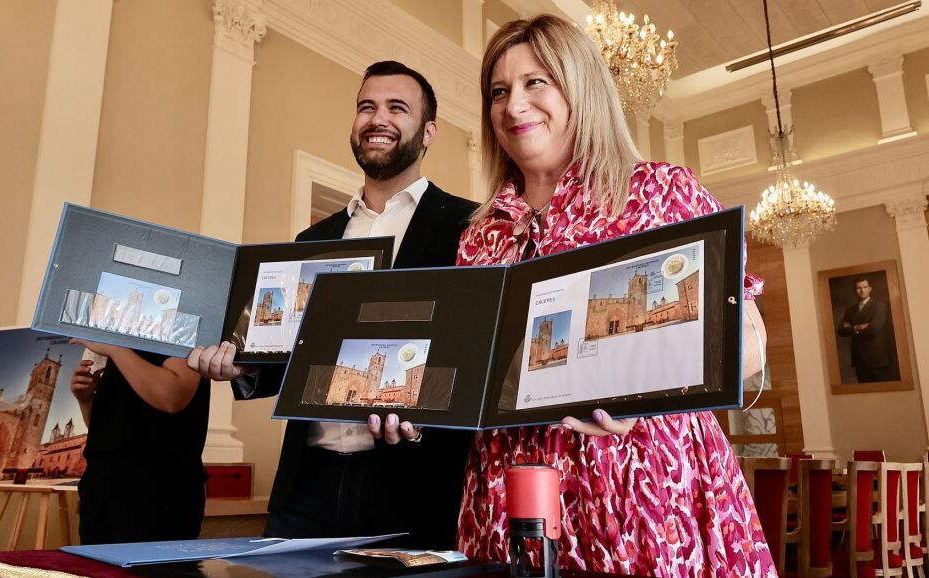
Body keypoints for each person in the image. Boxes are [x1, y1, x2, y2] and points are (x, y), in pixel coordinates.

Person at [452, 16, 774, 575]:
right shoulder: (480, 235)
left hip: (644, 482)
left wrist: (638, 392)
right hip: (510, 487)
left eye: (535, 82)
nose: (513, 105)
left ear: (580, 87)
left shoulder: (660, 192)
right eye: (498, 92)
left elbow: (749, 345)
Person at [188, 61, 478, 549]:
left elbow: (473, 351)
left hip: (412, 484)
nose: (377, 118)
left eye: (397, 108)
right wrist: (247, 368)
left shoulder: (469, 227)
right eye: (367, 107)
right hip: (307, 486)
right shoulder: (314, 239)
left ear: (428, 133)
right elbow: (298, 351)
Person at [70, 342, 209, 545]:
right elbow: (105, 429)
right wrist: (85, 399)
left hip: (159, 489)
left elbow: (173, 397)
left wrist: (114, 347)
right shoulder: (113, 341)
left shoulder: (181, 327)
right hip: (99, 486)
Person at [836, 277, 896, 383]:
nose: (862, 290)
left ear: (870, 288)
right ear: (855, 290)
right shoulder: (850, 310)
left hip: (876, 359)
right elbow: (841, 331)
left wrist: (851, 328)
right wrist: (857, 327)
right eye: (859, 288)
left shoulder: (879, 306)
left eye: (865, 287)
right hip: (859, 358)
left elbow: (873, 330)